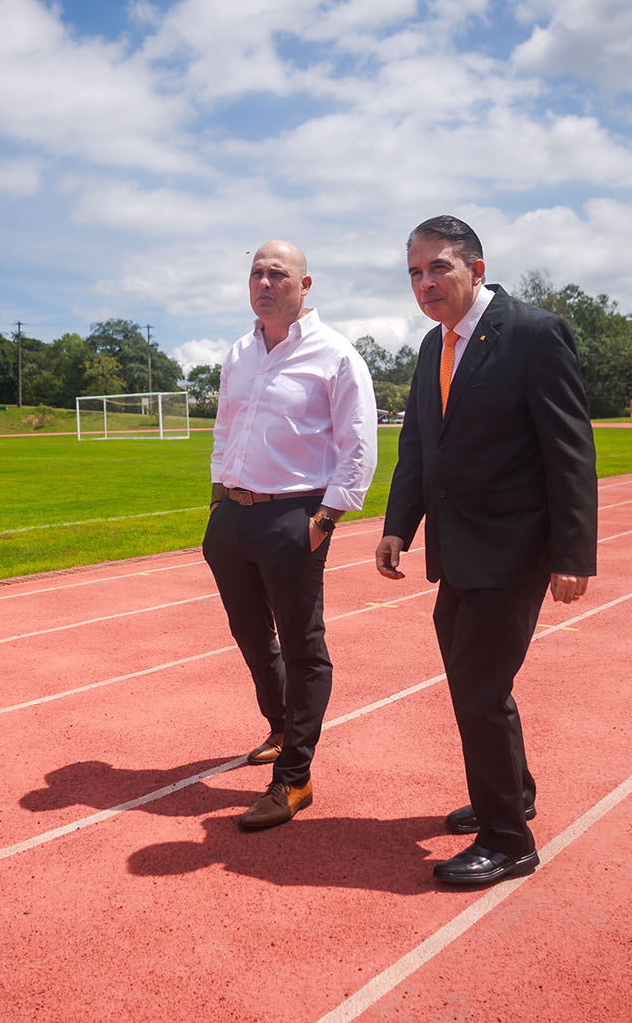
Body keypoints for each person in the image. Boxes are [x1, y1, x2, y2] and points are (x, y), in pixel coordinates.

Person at [375, 215, 597, 886]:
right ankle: (515, 790)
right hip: (458, 546)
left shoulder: (532, 334)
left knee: (478, 687)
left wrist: (574, 552)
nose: (424, 283)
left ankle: (509, 839)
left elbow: (569, 448)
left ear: (475, 268)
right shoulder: (431, 347)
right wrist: (398, 523)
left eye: (437, 268)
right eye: (414, 272)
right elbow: (420, 444)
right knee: (477, 683)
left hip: (516, 546)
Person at [205, 240, 378, 831]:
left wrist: (325, 521)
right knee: (252, 635)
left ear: (306, 286)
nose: (264, 282)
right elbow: (224, 429)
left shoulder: (336, 356)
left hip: (294, 517)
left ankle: (294, 778)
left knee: (304, 648)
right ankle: (280, 728)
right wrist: (216, 501)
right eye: (256, 272)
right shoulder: (239, 352)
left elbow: (359, 447)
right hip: (232, 514)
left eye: (278, 273)